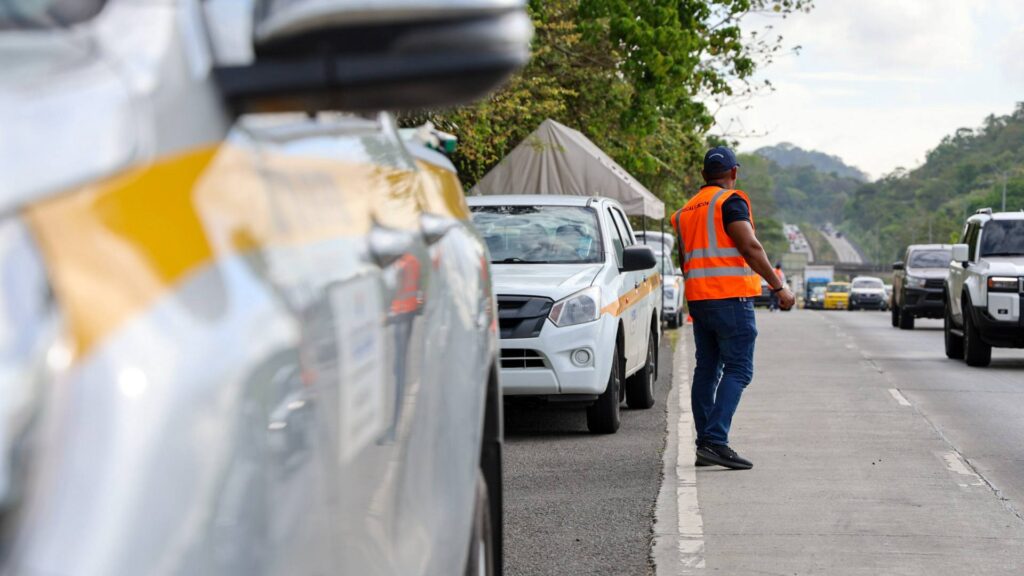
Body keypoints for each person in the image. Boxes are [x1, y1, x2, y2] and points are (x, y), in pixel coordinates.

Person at [670, 146, 795, 470]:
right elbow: (750, 246)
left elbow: (685, 260)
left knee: (707, 370)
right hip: (731, 298)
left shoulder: (684, 212)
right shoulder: (730, 201)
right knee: (739, 369)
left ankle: (705, 443)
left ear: (703, 175)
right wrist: (778, 287)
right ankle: (715, 440)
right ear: (734, 172)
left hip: (699, 298)